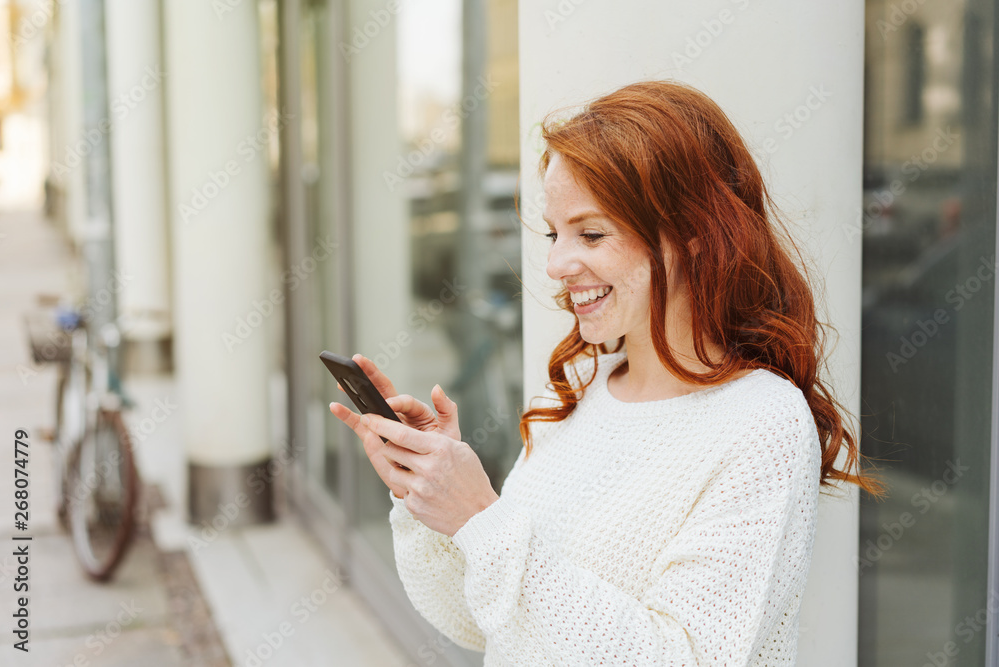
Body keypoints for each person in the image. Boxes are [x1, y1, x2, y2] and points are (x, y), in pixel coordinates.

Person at [329, 79, 884, 666]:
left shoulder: (761, 425)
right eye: (555, 233)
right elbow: (484, 625)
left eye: (591, 233)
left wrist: (480, 516)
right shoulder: (582, 388)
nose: (556, 264)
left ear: (695, 235)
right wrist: (431, 497)